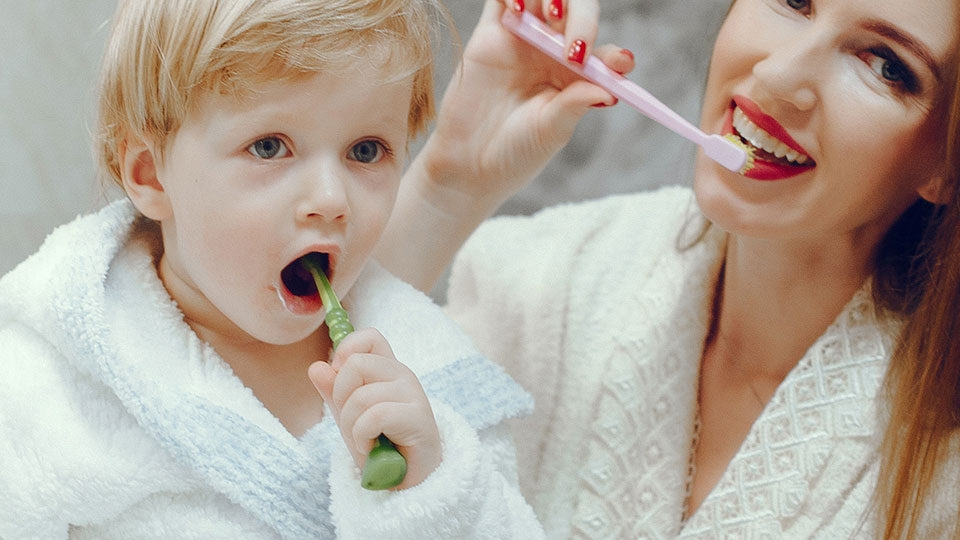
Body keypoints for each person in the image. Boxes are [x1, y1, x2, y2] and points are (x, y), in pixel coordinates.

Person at [377, 0, 960, 537]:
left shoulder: (943, 481)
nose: (780, 76)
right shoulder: (545, 279)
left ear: (946, 165)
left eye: (885, 64)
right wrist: (449, 188)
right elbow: (306, 457)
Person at [0, 0, 546, 537]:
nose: (332, 199)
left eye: (365, 151)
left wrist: (428, 489)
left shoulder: (429, 374)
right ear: (150, 174)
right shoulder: (46, 390)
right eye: (269, 146)